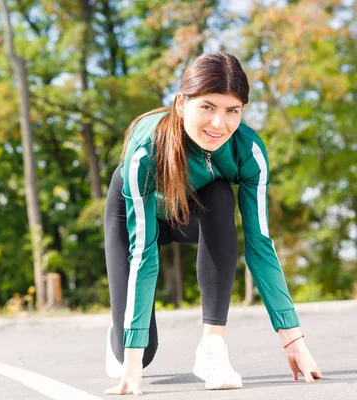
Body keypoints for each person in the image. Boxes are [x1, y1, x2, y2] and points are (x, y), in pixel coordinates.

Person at [102, 52, 322, 396]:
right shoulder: (145, 151)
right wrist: (130, 363)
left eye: (232, 110)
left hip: (190, 214)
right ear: (181, 104)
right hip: (134, 219)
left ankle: (212, 347)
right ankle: (122, 333)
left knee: (220, 194)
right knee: (138, 354)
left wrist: (293, 339)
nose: (219, 123)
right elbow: (143, 254)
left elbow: (260, 244)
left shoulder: (249, 153)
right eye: (207, 107)